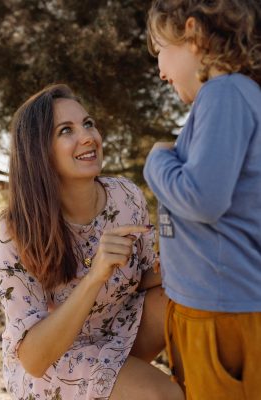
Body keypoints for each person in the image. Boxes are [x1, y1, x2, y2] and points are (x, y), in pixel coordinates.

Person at [0, 83, 184, 400]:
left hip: (117, 334)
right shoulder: (17, 228)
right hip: (55, 360)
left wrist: (189, 259)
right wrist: (95, 275)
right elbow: (34, 359)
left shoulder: (126, 196)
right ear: (39, 151)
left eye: (88, 123)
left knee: (183, 297)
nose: (88, 137)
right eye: (66, 130)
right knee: (162, 396)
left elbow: (146, 279)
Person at [143, 0, 261, 399]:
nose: (160, 70)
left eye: (160, 49)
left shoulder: (224, 93)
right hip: (207, 306)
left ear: (192, 35)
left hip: (221, 312)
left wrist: (157, 160)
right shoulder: (225, 99)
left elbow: (202, 199)